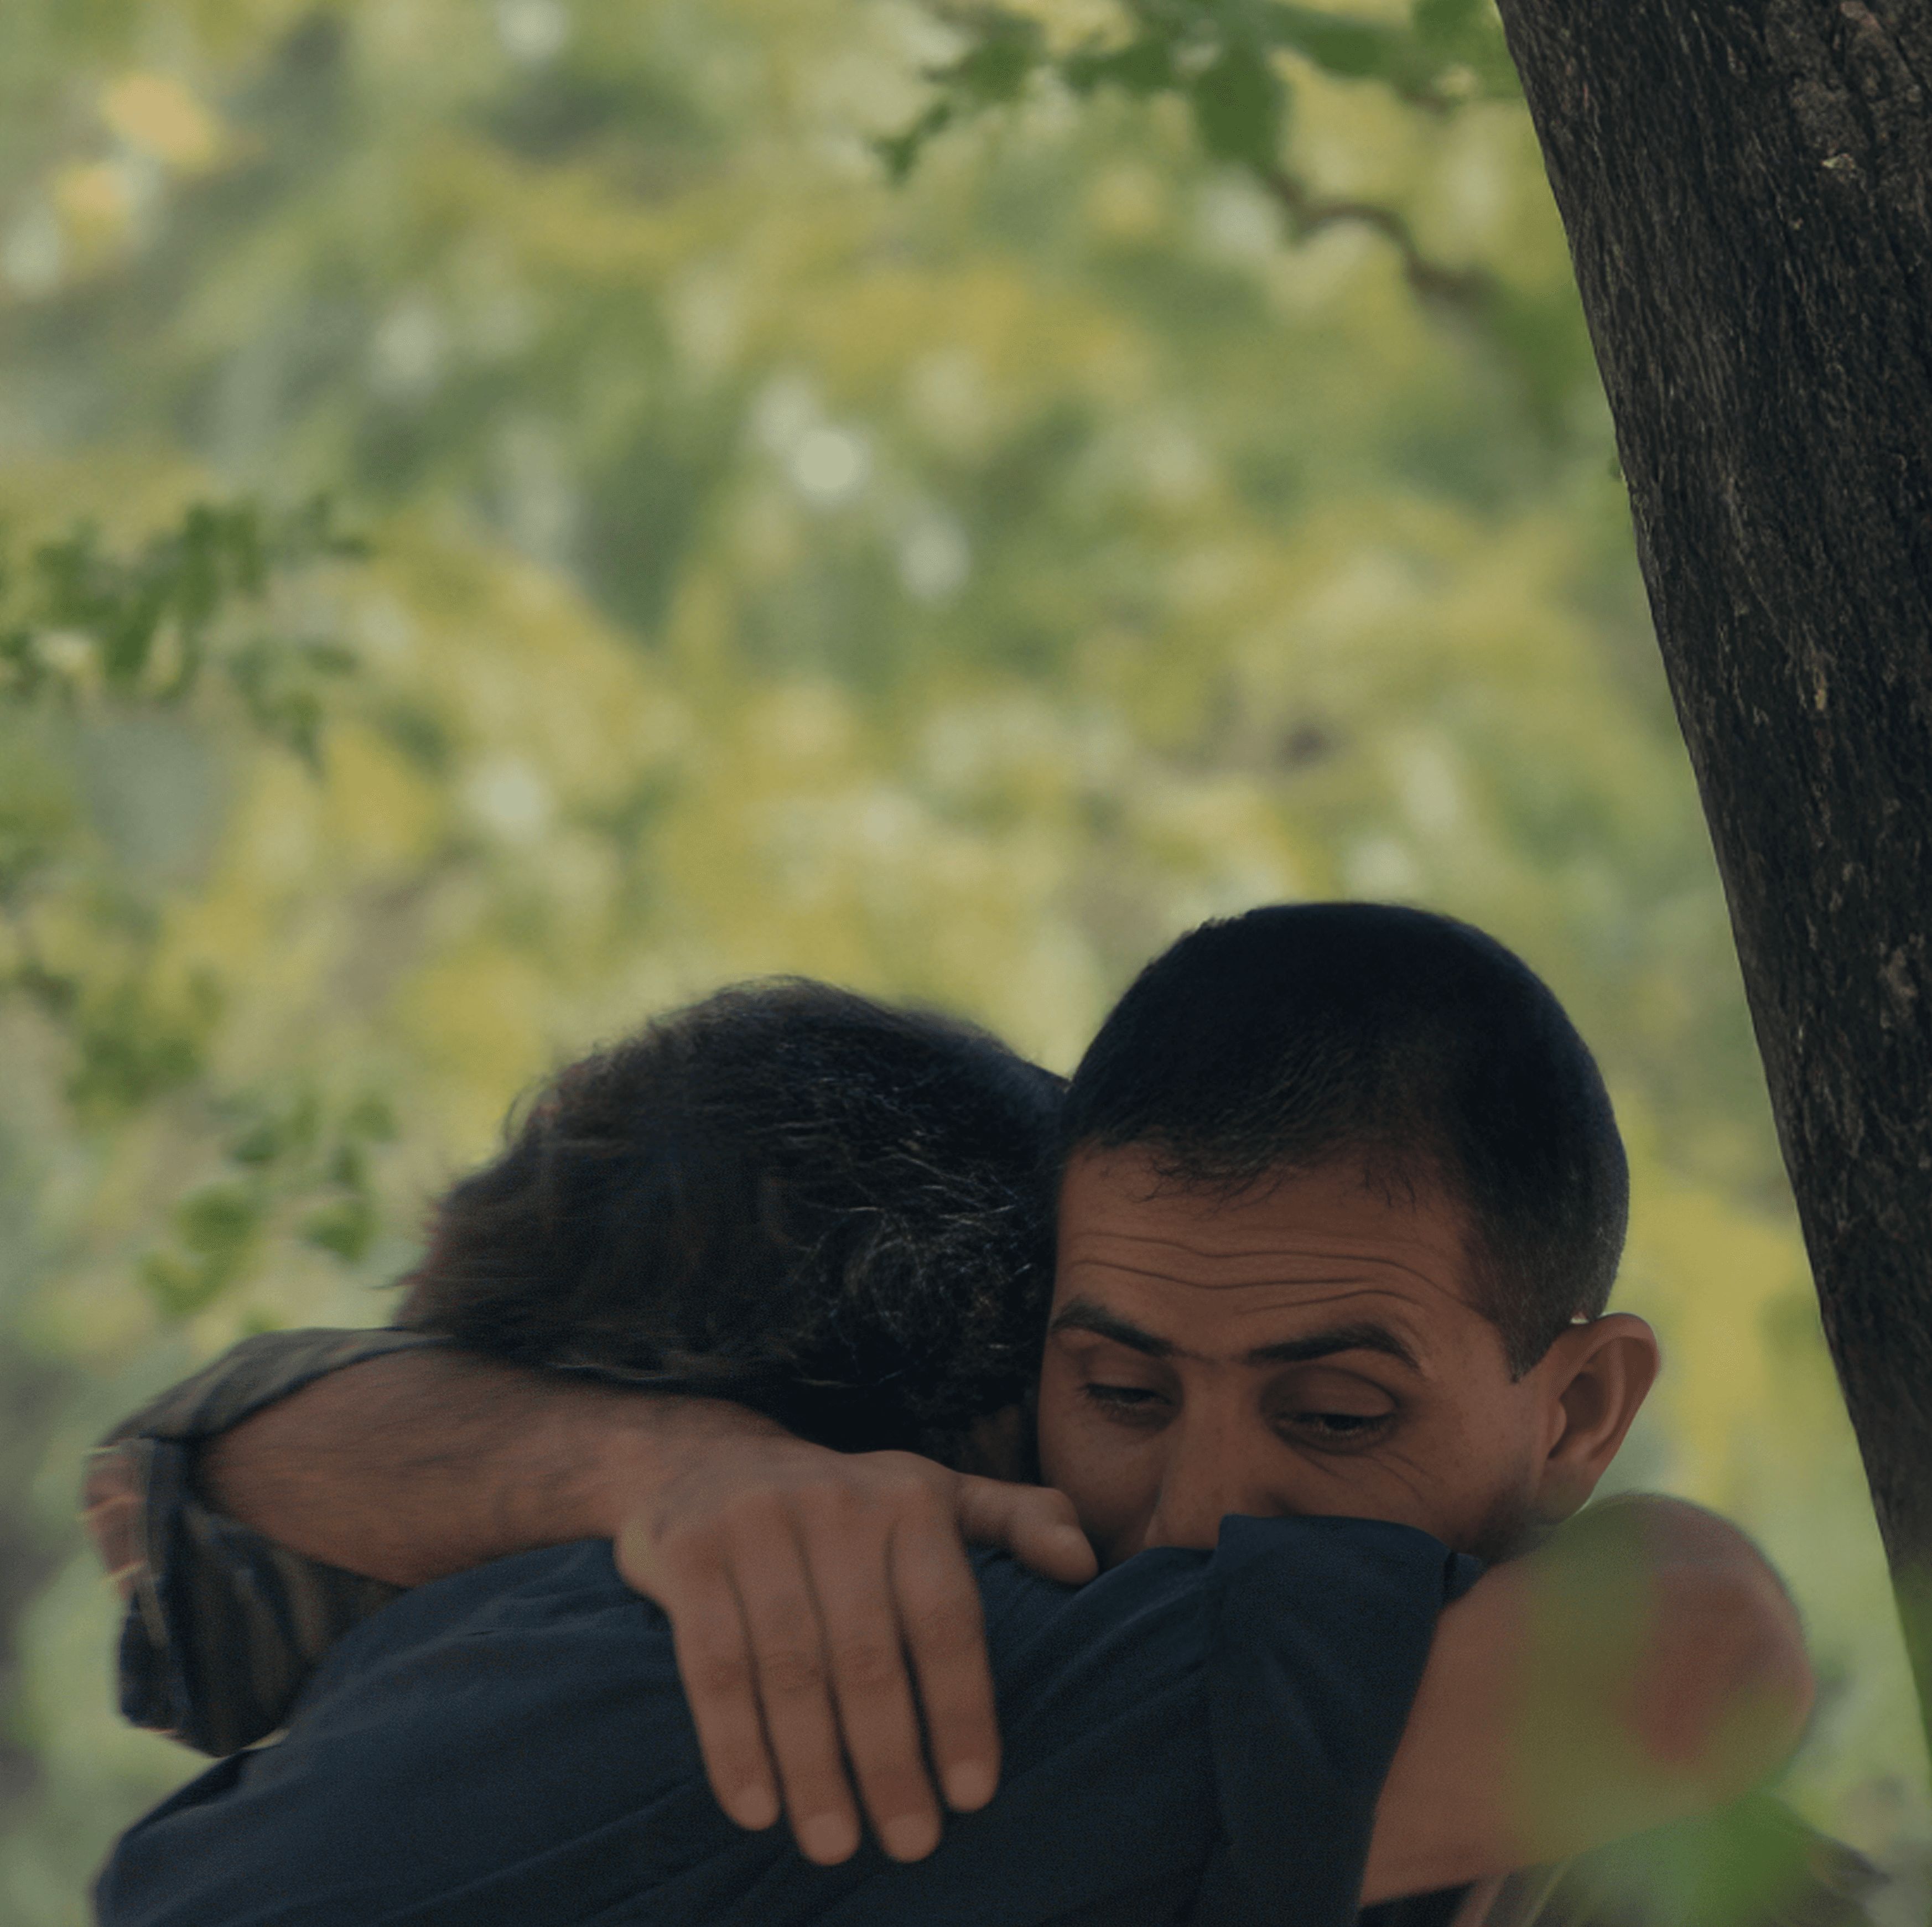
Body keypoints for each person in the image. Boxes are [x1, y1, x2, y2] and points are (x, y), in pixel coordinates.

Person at [87, 911, 1838, 1924]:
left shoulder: (369, 1726)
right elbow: (1700, 1649)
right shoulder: (916, 1689)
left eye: (1331, 1412)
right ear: (956, 1429)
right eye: (1113, 1392)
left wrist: (648, 1469)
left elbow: (153, 1494)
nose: (1191, 1525)